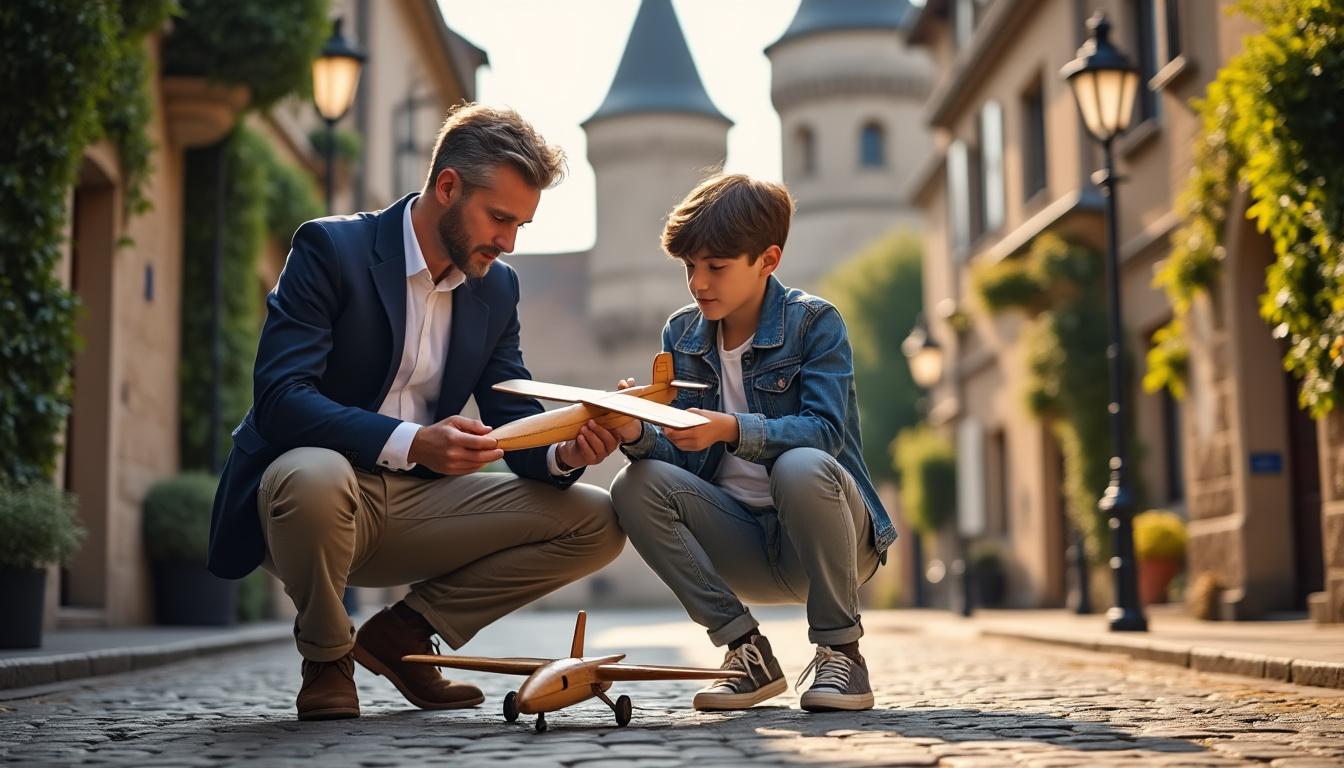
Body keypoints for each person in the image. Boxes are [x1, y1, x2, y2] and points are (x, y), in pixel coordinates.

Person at [207, 103, 626, 721]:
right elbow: (281, 396)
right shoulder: (330, 248)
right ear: (448, 186)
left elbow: (511, 400)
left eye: (521, 227)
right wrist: (412, 441)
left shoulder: (496, 286)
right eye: (500, 219)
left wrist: (567, 448)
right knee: (316, 475)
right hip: (310, 501)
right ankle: (327, 658)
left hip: (420, 508)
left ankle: (404, 634)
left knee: (598, 519)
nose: (508, 242)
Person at [609, 174, 896, 712]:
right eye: (690, 267)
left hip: (827, 541)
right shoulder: (682, 335)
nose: (698, 283)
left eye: (715, 267)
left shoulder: (815, 323)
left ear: (768, 260)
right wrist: (636, 430)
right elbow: (681, 457)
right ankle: (746, 653)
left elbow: (826, 432)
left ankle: (842, 653)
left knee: (800, 465)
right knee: (634, 482)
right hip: (739, 539)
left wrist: (731, 428)